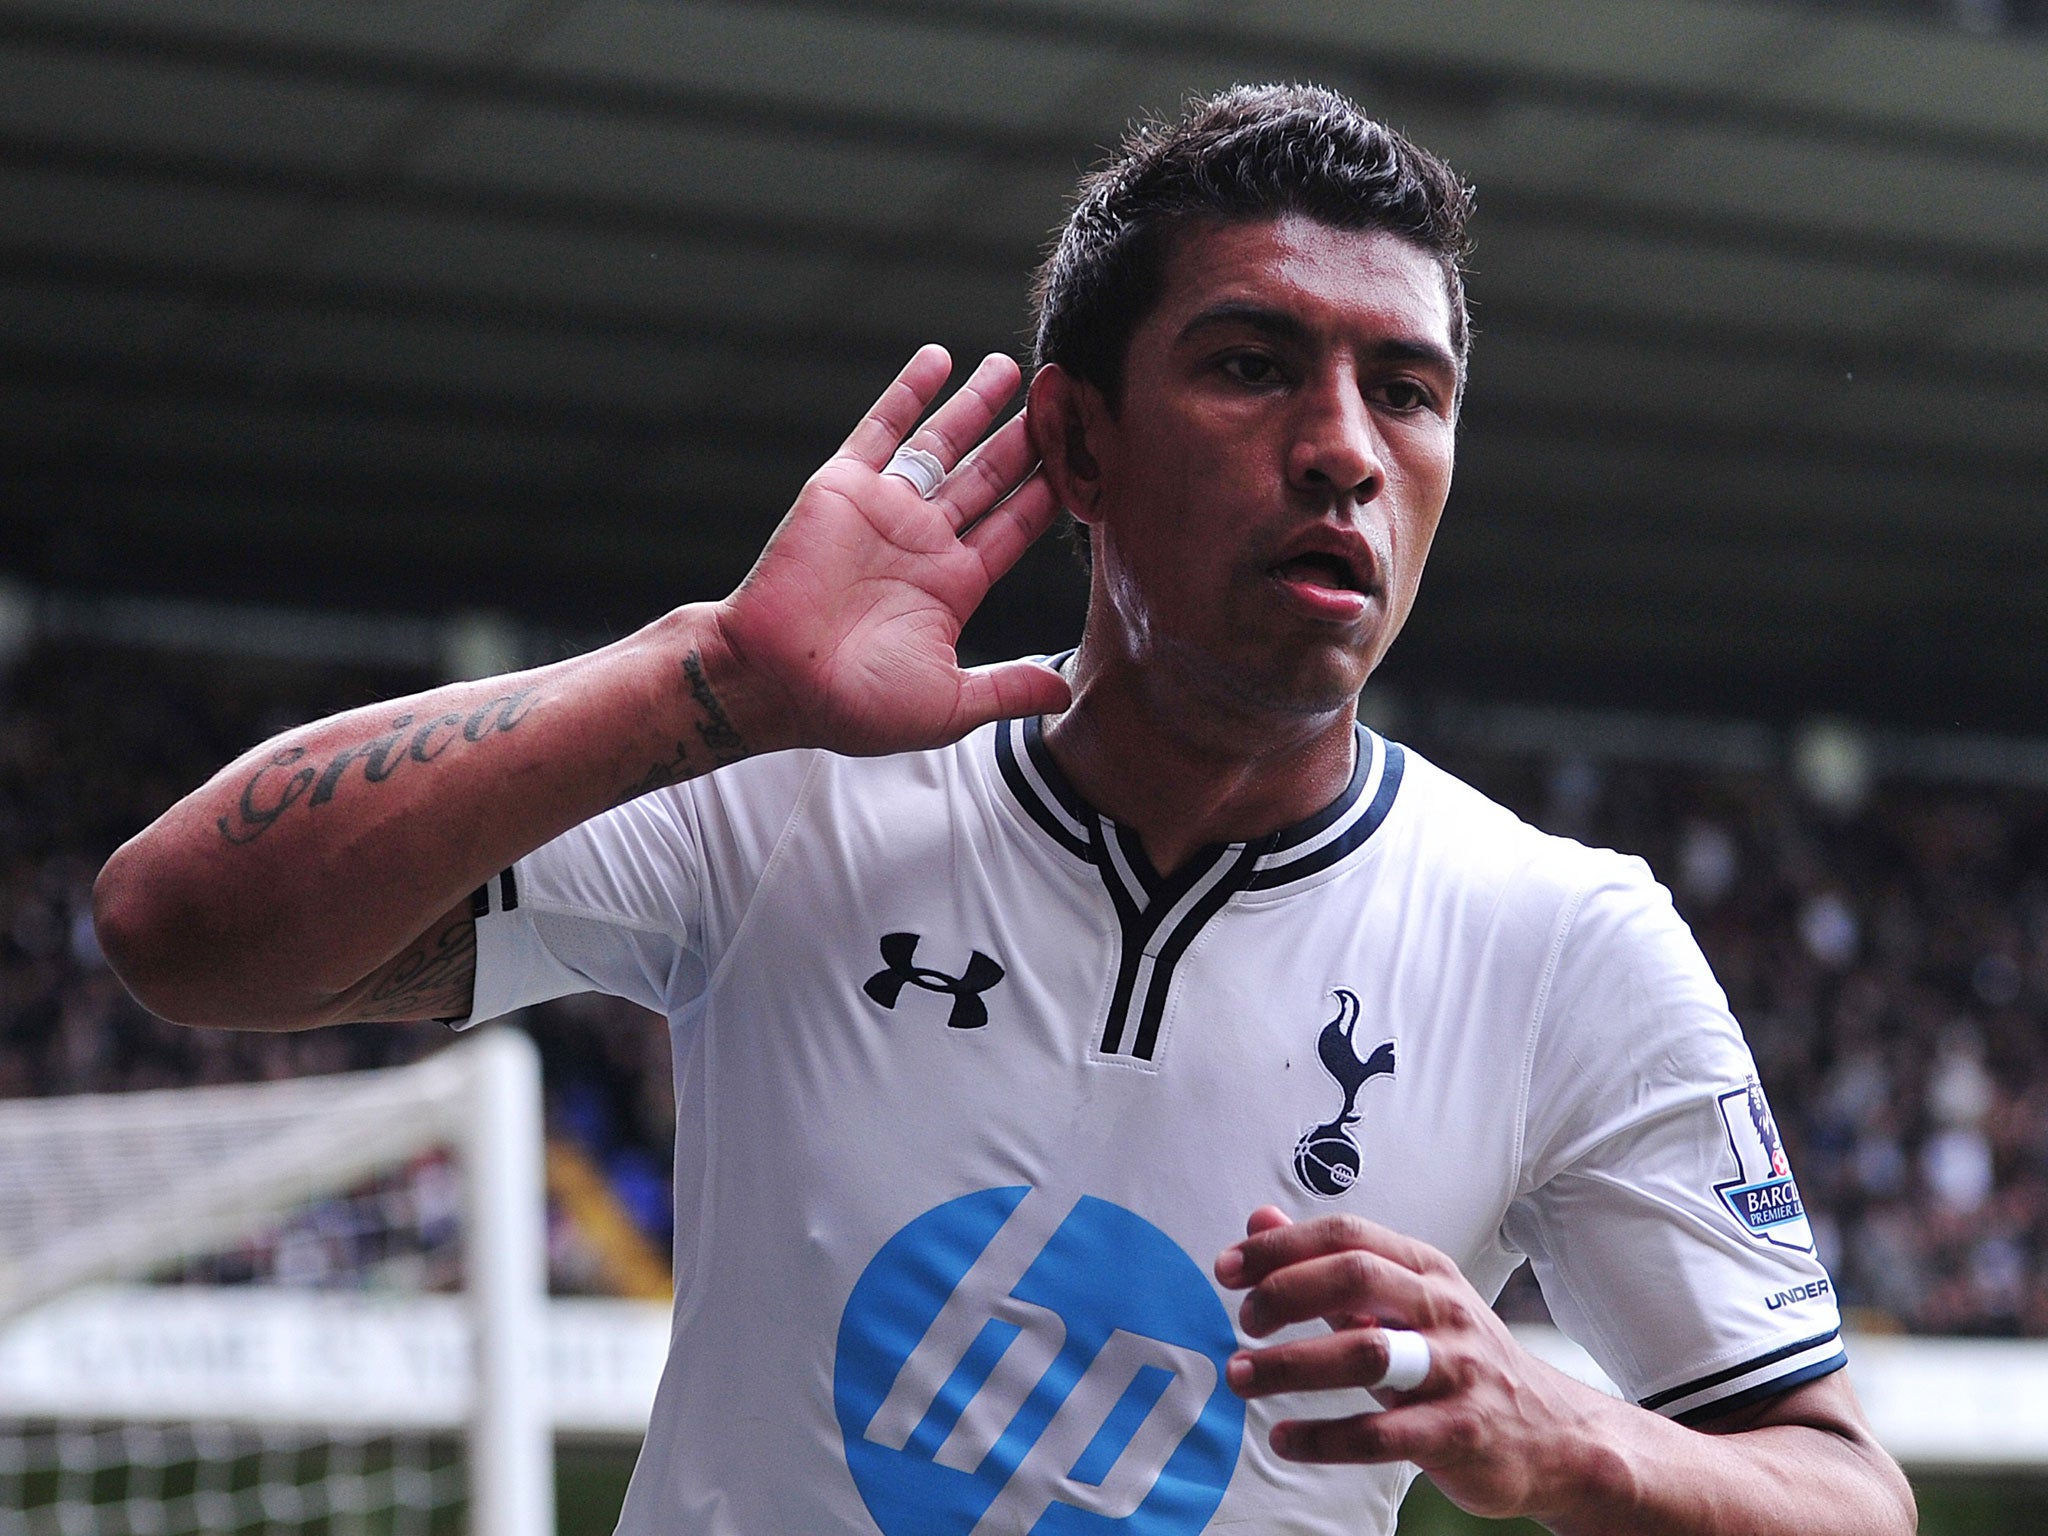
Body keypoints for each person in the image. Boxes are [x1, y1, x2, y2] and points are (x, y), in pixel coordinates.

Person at [94, 85, 1914, 1536]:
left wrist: (1563, 1437)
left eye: (1408, 390)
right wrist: (702, 680)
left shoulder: (1563, 942)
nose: (1347, 445)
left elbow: (1842, 1494)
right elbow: (180, 929)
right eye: (1255, 361)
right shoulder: (785, 790)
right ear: (1079, 447)